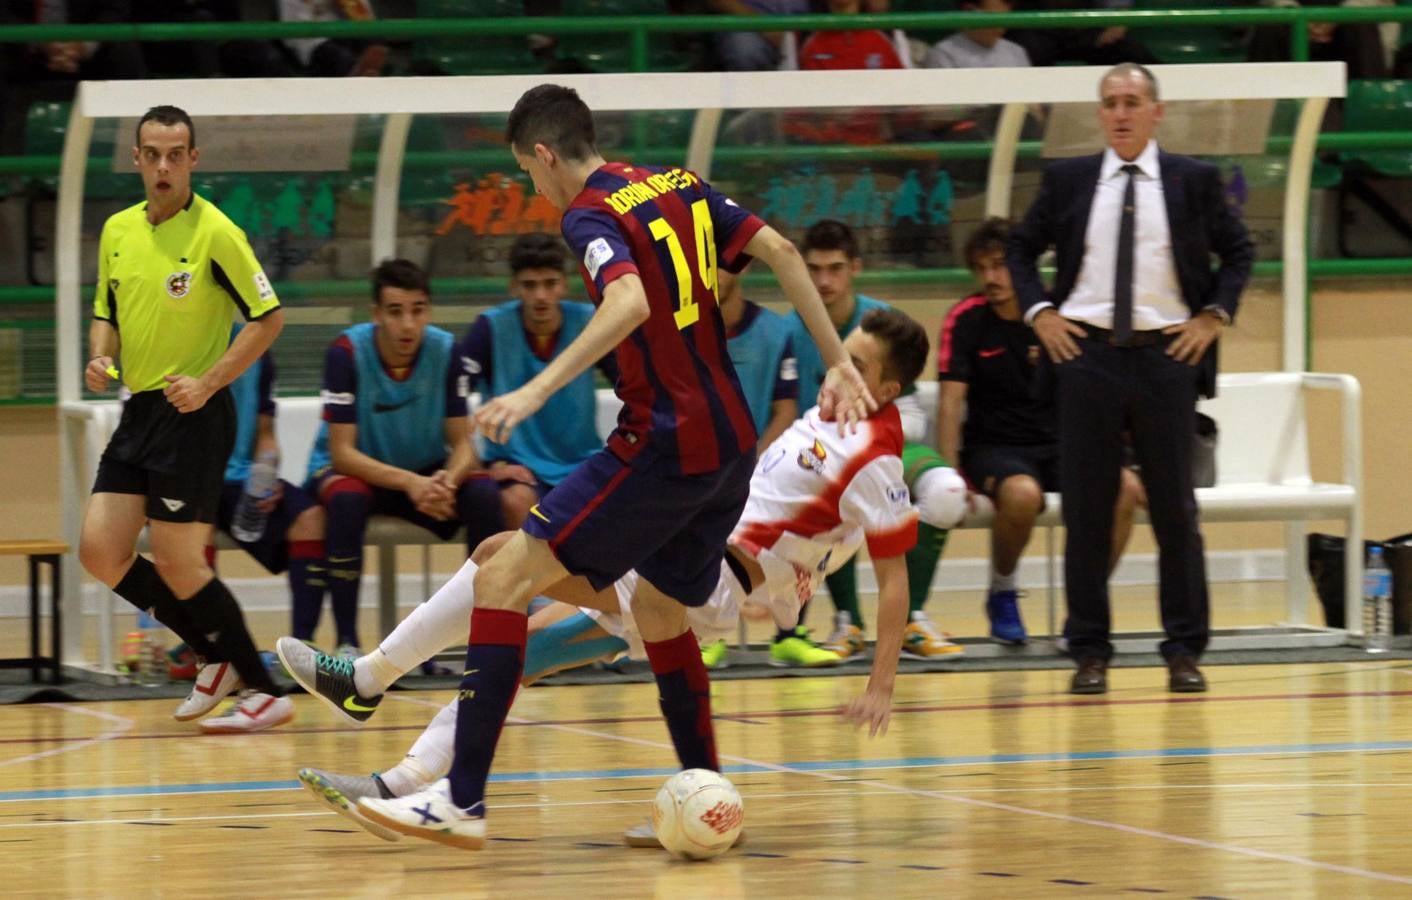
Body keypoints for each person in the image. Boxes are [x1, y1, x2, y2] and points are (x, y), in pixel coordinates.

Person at [282, 82, 874, 849]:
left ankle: (457, 797)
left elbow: (625, 303)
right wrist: (838, 362)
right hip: (730, 445)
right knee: (659, 612)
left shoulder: (589, 212)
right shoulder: (677, 183)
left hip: (663, 441)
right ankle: (708, 795)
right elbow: (784, 253)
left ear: (543, 153)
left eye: (527, 174)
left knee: (502, 575)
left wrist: (532, 391)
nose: (533, 190)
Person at [282, 307, 928, 847]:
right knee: (518, 641)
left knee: (499, 563)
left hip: (704, 578)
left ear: (890, 389)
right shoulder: (831, 412)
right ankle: (401, 780)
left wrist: (880, 681)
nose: (839, 373)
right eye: (839, 357)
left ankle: (374, 695)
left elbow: (891, 576)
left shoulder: (875, 459)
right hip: (680, 553)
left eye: (860, 368)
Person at [1006, 64, 1254, 694]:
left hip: (1167, 356)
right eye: (1110, 103)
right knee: (1088, 510)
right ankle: (1089, 650)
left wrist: (1213, 316)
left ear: (1155, 112)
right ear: (1100, 113)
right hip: (1086, 357)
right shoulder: (1068, 180)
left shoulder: (1192, 180)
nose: (1120, 113)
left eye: (1132, 102)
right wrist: (1040, 314)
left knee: (1176, 510)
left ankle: (1184, 650)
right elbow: (1019, 248)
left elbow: (1240, 251)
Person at [78, 105, 294, 734]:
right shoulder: (117, 229)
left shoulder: (217, 233)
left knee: (179, 561)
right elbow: (107, 311)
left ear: (193, 160)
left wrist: (208, 382)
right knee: (101, 549)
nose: (164, 165)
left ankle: (262, 688)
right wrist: (101, 358)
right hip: (139, 410)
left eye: (176, 154)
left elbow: (268, 317)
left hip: (194, 413)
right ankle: (214, 657)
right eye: (153, 154)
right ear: (137, 160)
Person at [938, 218, 1144, 646]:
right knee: (1022, 495)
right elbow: (950, 401)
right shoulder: (966, 319)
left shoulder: (1062, 313)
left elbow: (1098, 389)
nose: (991, 278)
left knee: (1125, 487)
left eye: (1000, 265)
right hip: (996, 448)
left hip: (1064, 444)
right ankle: (1002, 590)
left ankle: (1085, 607)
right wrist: (949, 472)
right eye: (981, 269)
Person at [785, 219, 966, 666]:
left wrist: (875, 449)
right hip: (821, 452)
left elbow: (907, 410)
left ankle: (912, 618)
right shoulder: (787, 330)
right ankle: (848, 621)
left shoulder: (882, 322)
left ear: (856, 268)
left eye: (835, 268)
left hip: (891, 439)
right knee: (829, 488)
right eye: (814, 269)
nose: (824, 280)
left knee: (947, 492)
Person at [305, 258, 504, 657]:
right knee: (345, 498)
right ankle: (347, 642)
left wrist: (446, 480)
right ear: (376, 314)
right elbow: (342, 453)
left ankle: (486, 637)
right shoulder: (345, 352)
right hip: (362, 471)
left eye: (418, 311)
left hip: (426, 474)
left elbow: (464, 443)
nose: (408, 324)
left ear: (429, 310)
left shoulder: (447, 350)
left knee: (484, 493)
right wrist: (412, 483)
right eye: (395, 312)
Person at [459, 233, 619, 530]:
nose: (541, 295)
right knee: (517, 505)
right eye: (530, 285)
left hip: (580, 463)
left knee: (615, 515)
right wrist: (480, 467)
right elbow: (452, 404)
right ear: (514, 287)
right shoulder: (490, 328)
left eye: (549, 283)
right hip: (516, 468)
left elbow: (633, 388)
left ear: (564, 285)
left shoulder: (589, 322)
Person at [698, 261, 799, 669]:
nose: (708, 272)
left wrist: (754, 465)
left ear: (740, 265)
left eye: (717, 262)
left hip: (761, 464)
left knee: (809, 505)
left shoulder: (777, 332)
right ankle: (705, 629)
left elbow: (785, 411)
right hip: (701, 464)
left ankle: (790, 632)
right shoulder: (684, 330)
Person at [210, 331, 329, 646]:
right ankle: (205, 647)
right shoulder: (176, 342)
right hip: (182, 477)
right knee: (193, 530)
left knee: (309, 517)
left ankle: (302, 647)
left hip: (237, 478)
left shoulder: (254, 346)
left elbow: (265, 435)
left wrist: (266, 473)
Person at [924, 0, 1032, 69]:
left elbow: (1032, 100)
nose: (1002, 28)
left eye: (1005, 19)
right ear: (970, 11)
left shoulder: (1016, 51)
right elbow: (945, 103)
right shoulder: (943, 54)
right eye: (995, 19)